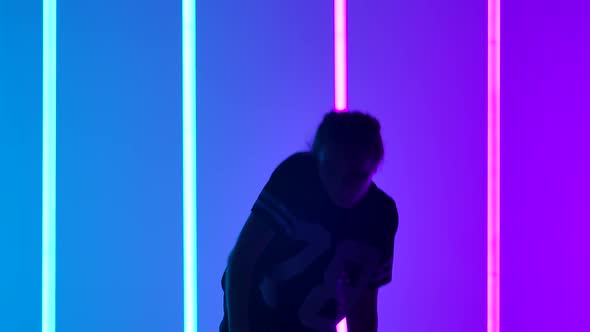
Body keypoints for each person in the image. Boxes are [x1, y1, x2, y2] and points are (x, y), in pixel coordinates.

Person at [220, 110, 399, 332]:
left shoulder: (380, 216)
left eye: (354, 175)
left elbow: (363, 302)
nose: (341, 186)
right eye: (332, 170)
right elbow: (242, 261)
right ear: (318, 160)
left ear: (374, 167)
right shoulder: (296, 179)